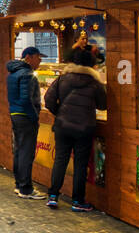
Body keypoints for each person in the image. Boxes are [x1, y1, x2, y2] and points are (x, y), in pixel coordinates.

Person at [43, 47, 108, 212]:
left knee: (60, 160)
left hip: (63, 127)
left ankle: (52, 196)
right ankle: (78, 201)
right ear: (91, 65)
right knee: (80, 164)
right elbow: (103, 105)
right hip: (84, 128)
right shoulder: (94, 82)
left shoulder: (63, 79)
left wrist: (60, 114)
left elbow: (48, 100)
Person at [6, 46, 46, 200]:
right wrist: (34, 116)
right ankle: (26, 188)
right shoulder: (27, 74)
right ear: (28, 57)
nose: (40, 60)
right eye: (38, 57)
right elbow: (26, 99)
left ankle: (19, 184)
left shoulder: (13, 73)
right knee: (26, 153)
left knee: (19, 150)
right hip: (25, 117)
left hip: (16, 114)